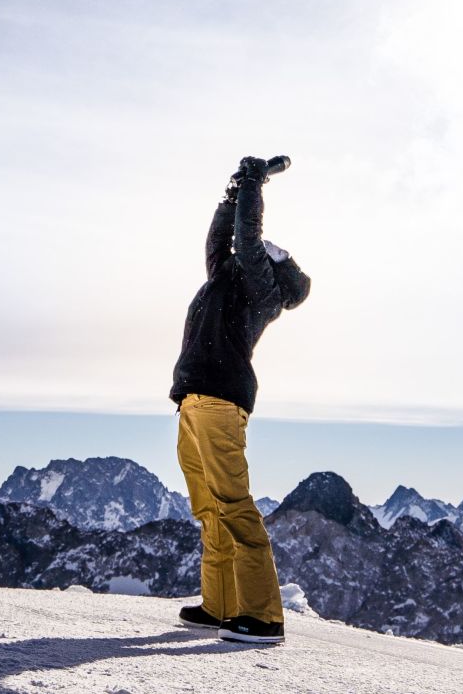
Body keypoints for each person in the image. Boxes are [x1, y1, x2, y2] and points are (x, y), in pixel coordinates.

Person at [170, 155, 311, 644]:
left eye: (268, 252)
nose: (255, 250)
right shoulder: (225, 280)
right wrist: (231, 194)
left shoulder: (261, 291)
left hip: (218, 400)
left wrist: (254, 182)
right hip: (193, 401)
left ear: (273, 271)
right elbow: (219, 240)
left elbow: (247, 238)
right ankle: (221, 606)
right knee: (208, 508)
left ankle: (264, 615)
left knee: (232, 504)